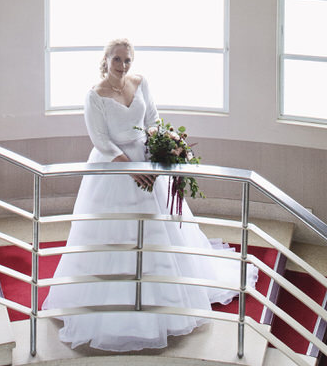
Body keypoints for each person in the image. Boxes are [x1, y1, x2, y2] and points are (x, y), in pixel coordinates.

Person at [42, 38, 258, 352]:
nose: (123, 66)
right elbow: (101, 140)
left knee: (162, 232)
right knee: (116, 235)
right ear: (107, 60)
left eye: (128, 60)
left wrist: (162, 148)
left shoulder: (140, 83)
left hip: (147, 163)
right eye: (118, 60)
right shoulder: (95, 95)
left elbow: (153, 120)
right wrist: (130, 168)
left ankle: (168, 300)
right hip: (114, 169)